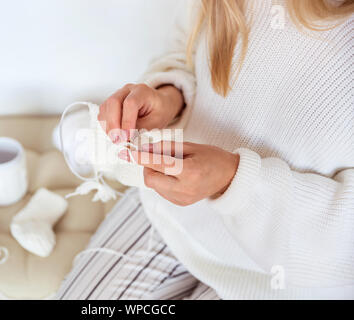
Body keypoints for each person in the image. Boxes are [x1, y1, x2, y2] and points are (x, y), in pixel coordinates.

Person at [55, 0, 354, 299]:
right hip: (169, 215)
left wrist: (233, 180)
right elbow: (185, 51)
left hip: (281, 281)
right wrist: (169, 97)